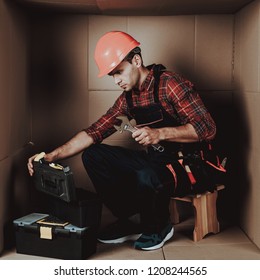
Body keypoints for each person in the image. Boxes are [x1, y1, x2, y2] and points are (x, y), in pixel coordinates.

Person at [28, 31, 219, 251]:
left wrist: (160, 133)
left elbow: (208, 128)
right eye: (112, 75)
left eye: (119, 71)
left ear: (136, 61)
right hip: (157, 160)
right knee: (94, 155)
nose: (116, 80)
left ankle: (159, 226)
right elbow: (94, 131)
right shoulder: (128, 98)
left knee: (146, 174)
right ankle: (130, 221)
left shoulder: (170, 84)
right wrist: (51, 155)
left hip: (191, 165)